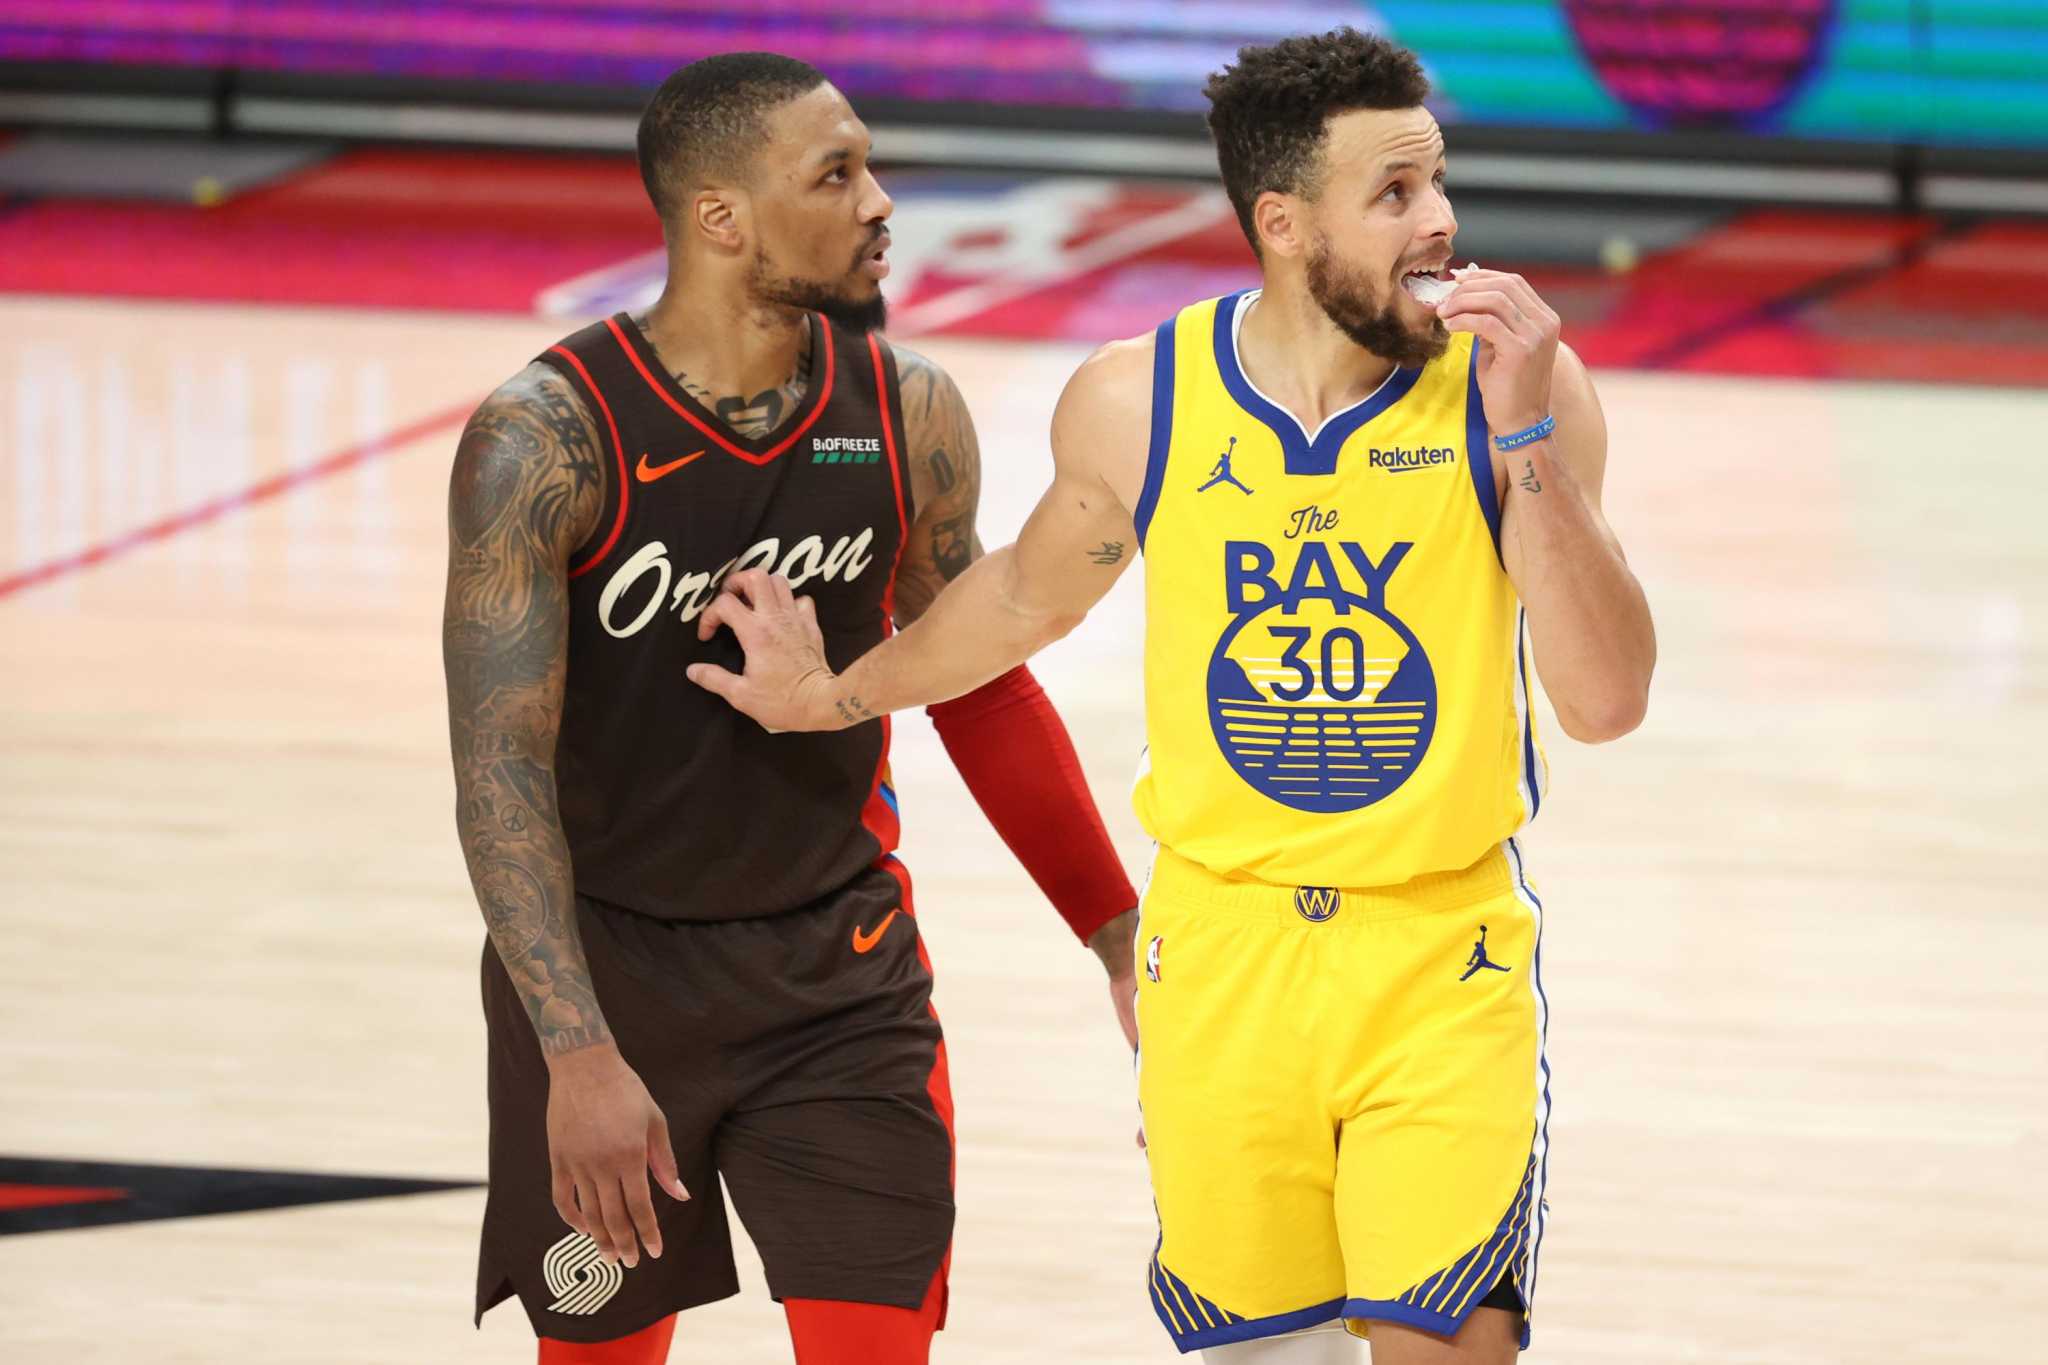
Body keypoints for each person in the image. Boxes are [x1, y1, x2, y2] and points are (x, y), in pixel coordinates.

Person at [683, 28, 1656, 1365]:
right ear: (1283, 221)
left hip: (1440, 956)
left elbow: (1606, 701)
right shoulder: (1139, 401)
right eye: (1393, 195)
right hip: (1219, 960)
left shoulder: (1514, 396)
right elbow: (1024, 596)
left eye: (1438, 184)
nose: (1440, 224)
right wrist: (830, 695)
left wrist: (1530, 433)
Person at [441, 52, 1138, 1365]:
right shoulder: (546, 437)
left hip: (841, 975)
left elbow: (978, 687)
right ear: (722, 218)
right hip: (614, 978)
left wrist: (1116, 931)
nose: (882, 202)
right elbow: (500, 774)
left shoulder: (906, 410)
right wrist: (577, 1053)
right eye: (838, 174)